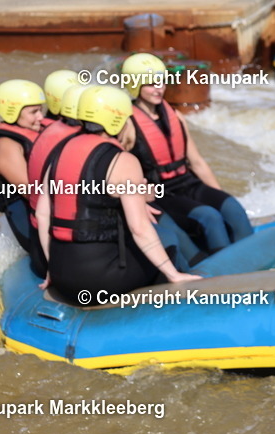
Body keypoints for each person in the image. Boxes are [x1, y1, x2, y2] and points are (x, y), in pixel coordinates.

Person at [36, 86, 200, 305]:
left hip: (61, 275)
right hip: (100, 282)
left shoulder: (60, 151)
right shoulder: (123, 161)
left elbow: (42, 214)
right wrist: (174, 275)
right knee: (168, 240)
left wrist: (51, 269)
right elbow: (140, 228)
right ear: (117, 121)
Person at [122, 53, 254, 256]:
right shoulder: (128, 125)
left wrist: (219, 196)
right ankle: (227, 274)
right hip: (161, 193)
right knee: (209, 217)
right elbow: (118, 168)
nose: (159, 88)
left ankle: (255, 259)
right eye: (151, 84)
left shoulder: (176, 117)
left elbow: (197, 162)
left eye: (161, 81)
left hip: (187, 183)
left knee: (231, 207)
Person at [26, 84, 85, 278]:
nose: (40, 117)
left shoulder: (49, 134)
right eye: (33, 111)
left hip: (50, 235)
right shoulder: (73, 145)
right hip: (62, 244)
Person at [0, 79, 45, 252]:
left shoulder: (24, 134)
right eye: (34, 112)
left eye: (41, 110)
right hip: (33, 235)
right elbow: (34, 193)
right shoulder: (4, 147)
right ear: (12, 112)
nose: (41, 117)